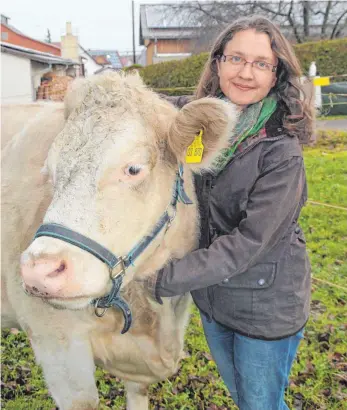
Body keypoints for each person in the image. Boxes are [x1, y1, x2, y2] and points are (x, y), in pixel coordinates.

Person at [140, 15, 313, 410]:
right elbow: (153, 108)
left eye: (261, 64)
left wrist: (162, 278)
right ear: (217, 63)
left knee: (260, 405)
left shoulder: (281, 152)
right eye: (236, 58)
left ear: (276, 75)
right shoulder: (201, 122)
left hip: (266, 307)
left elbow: (249, 243)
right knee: (243, 397)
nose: (246, 73)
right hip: (216, 300)